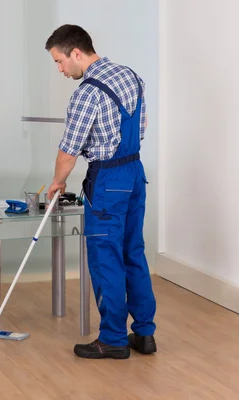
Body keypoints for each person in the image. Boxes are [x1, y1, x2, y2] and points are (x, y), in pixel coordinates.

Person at [45, 24, 157, 360]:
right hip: (135, 174)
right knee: (132, 252)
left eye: (59, 61)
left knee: (106, 258)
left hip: (108, 180)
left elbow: (69, 150)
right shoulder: (131, 76)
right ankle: (145, 334)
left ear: (76, 53)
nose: (61, 69)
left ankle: (112, 339)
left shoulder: (86, 93)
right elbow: (143, 124)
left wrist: (57, 182)